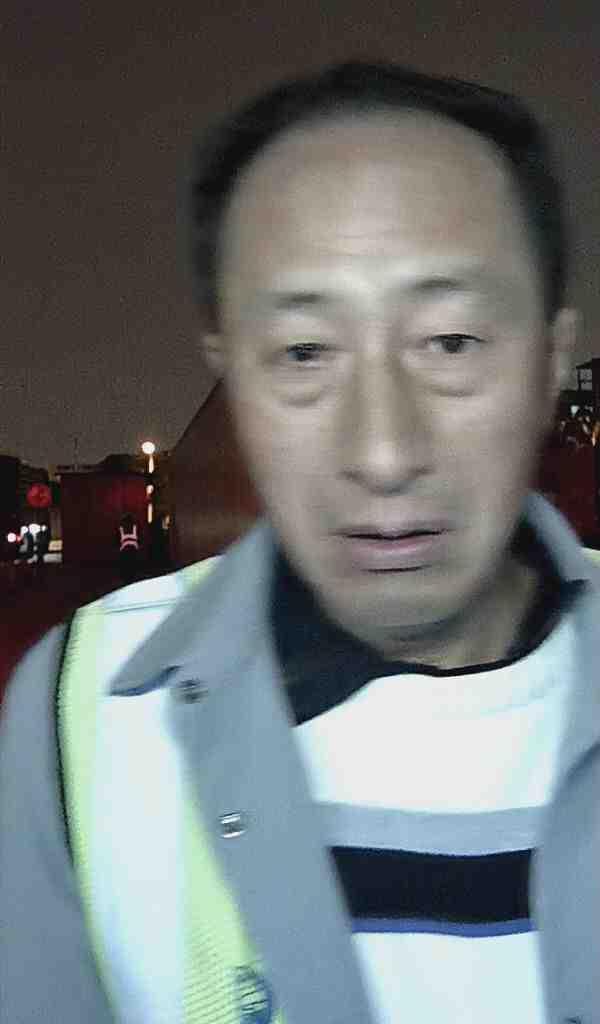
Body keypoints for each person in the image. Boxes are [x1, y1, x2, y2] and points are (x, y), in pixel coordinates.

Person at [1, 61, 599, 1024]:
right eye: (305, 353)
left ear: (549, 360)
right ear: (231, 376)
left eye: (451, 342)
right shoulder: (83, 712)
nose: (384, 453)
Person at [117, 512, 140, 583]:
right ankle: (131, 579)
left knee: (125, 567)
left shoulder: (121, 527)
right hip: (133, 549)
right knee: (133, 567)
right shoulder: (135, 526)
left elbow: (117, 539)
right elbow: (139, 537)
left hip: (124, 549)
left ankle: (126, 579)